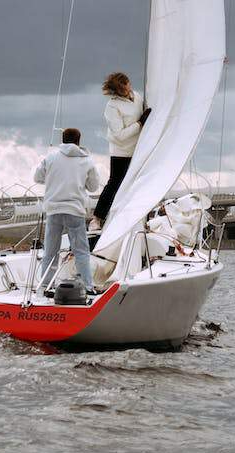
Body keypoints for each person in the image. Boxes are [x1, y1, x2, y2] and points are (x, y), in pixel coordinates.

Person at [33, 127, 100, 295]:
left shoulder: (51, 157)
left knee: (50, 252)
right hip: (75, 210)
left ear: (62, 140)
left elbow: (37, 178)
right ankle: (88, 286)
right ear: (79, 141)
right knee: (81, 252)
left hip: (53, 210)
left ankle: (45, 286)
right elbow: (93, 187)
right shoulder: (87, 161)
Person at [90, 71, 150, 234]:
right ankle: (97, 218)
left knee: (139, 183)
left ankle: (139, 218)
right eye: (123, 89)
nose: (127, 90)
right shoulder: (112, 106)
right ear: (116, 91)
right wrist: (139, 124)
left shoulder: (136, 96)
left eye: (128, 85)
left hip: (139, 150)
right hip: (121, 151)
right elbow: (119, 135)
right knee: (115, 183)